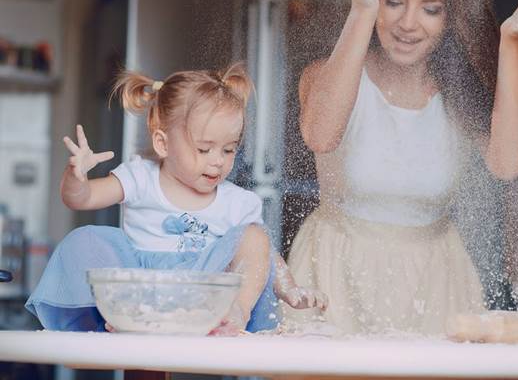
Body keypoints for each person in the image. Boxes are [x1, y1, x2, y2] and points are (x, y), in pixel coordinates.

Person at [283, 0, 518, 335]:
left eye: (431, 9)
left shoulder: (459, 97)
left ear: (452, 17)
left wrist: (514, 39)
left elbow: (507, 163)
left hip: (436, 282)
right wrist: (361, 8)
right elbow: (321, 135)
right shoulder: (327, 76)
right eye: (393, 2)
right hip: (333, 273)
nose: (407, 23)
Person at [26, 63, 326, 335]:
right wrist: (75, 178)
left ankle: (237, 312)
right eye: (204, 148)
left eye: (229, 149)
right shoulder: (140, 177)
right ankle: (122, 315)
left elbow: (264, 256)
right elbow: (83, 198)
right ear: (163, 143)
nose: (218, 161)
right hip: (140, 291)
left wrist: (290, 288)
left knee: (256, 236)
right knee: (85, 239)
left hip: (203, 298)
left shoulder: (237, 202)